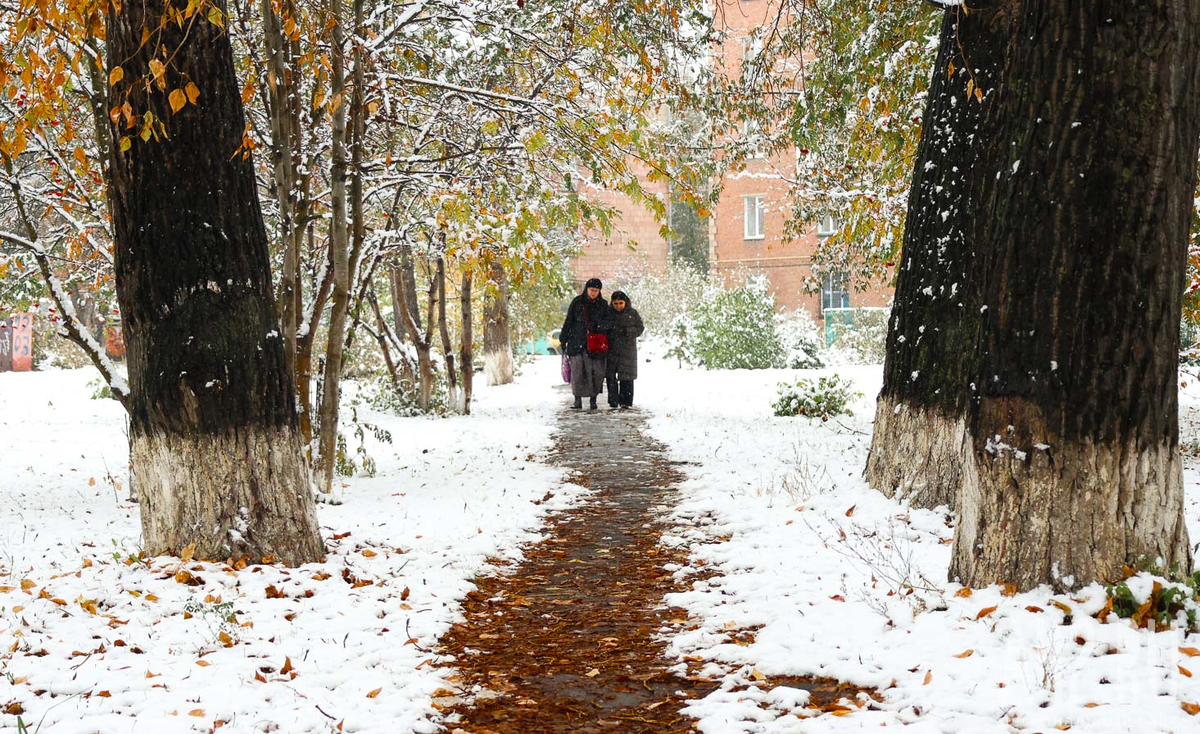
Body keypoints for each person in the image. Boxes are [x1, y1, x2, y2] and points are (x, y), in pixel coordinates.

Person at [559, 277, 611, 410]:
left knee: (595, 373)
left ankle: (593, 400)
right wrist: (563, 339)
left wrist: (598, 326)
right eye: (591, 290)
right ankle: (577, 400)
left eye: (596, 290)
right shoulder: (577, 302)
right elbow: (569, 320)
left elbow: (608, 322)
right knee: (577, 372)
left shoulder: (603, 305)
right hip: (577, 342)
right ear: (586, 289)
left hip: (595, 345)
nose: (593, 293)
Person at [605, 290, 644, 408]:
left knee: (627, 377)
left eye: (620, 303)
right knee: (611, 376)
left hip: (628, 350)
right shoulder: (608, 314)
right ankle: (613, 401)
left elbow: (640, 328)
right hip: (611, 350)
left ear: (625, 302)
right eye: (615, 303)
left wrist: (627, 331)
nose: (618, 306)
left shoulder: (632, 313)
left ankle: (626, 402)